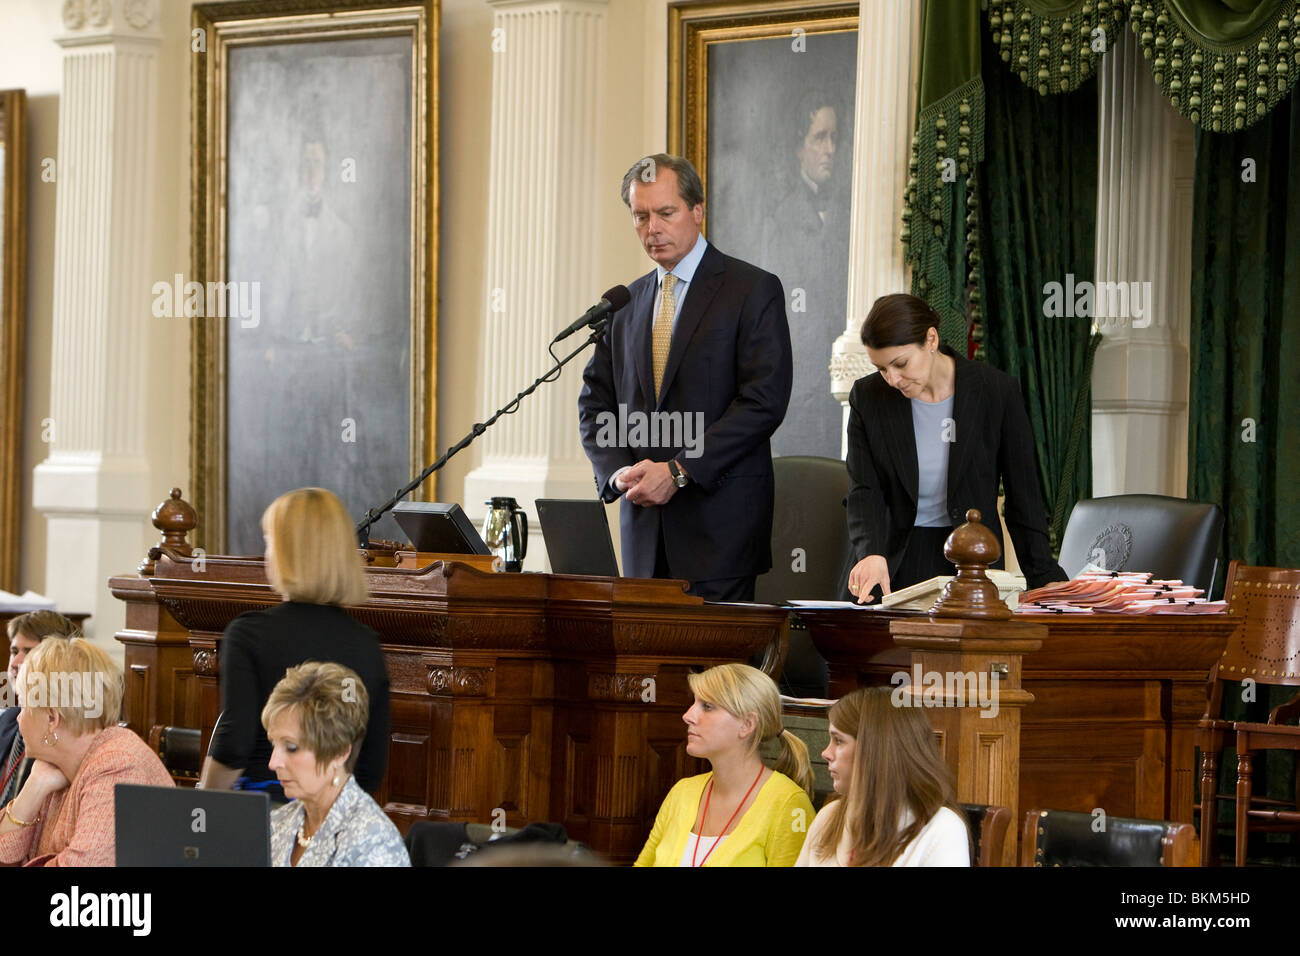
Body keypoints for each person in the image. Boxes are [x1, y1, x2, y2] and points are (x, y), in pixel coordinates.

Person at [578, 153, 793, 602]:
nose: (651, 228)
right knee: (648, 673)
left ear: (697, 211)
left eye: (665, 213)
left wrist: (678, 471)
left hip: (720, 536)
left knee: (715, 673)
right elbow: (595, 404)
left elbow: (763, 401)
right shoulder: (625, 304)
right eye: (640, 216)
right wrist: (618, 472)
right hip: (643, 537)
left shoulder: (751, 290)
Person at [844, 293, 1068, 602]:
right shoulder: (868, 396)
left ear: (931, 339)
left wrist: (1043, 576)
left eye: (900, 364)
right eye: (882, 369)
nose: (892, 379)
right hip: (889, 562)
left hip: (972, 565)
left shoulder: (996, 392)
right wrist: (870, 552)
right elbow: (863, 490)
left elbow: (1024, 496)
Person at [200, 487, 391, 800]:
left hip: (260, 815)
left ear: (288, 552)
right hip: (334, 816)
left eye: (269, 542)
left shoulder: (248, 634)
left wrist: (202, 808)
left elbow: (234, 746)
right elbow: (370, 767)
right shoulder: (366, 644)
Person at [0, 637, 173, 866]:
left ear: (52, 718)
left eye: (23, 706)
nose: (19, 719)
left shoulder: (118, 766)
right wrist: (34, 786)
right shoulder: (57, 762)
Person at [635, 663, 814, 866]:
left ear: (747, 725)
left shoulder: (790, 805)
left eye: (708, 706)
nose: (688, 716)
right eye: (694, 703)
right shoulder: (682, 792)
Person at [762, 92, 851, 459]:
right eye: (819, 138)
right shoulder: (779, 220)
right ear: (799, 148)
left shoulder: (849, 211)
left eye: (834, 137)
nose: (829, 148)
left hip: (841, 376)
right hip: (798, 381)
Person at [795, 687, 969, 866]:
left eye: (838, 740)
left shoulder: (942, 829)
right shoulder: (828, 817)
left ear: (875, 750)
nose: (825, 753)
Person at [264, 661, 408, 866]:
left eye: (292, 747)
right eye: (273, 744)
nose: (273, 762)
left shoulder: (374, 843)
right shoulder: (276, 823)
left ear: (339, 752)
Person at [0, 611, 80, 806]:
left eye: (29, 652)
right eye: (14, 651)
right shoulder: (9, 719)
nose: (15, 663)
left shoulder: (70, 732)